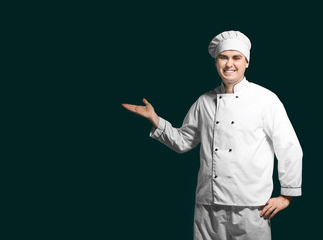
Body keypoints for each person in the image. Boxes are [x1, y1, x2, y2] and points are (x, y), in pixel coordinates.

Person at [122, 30, 302, 240]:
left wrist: (286, 196)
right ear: (216, 62)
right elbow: (183, 141)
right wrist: (155, 119)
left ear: (247, 63)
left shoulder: (266, 100)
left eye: (236, 58)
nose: (229, 64)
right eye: (223, 57)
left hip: (252, 207)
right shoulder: (204, 101)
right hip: (208, 206)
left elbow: (289, 147)